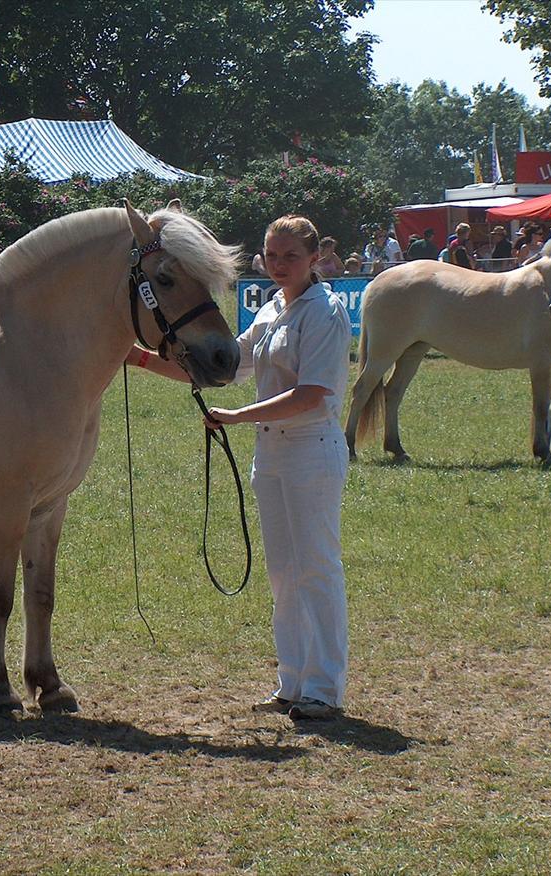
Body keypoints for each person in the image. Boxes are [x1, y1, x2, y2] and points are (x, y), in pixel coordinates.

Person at [127, 214, 351, 721]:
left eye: (291, 256)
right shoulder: (272, 309)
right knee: (283, 572)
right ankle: (292, 682)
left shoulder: (325, 312)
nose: (279, 266)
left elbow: (312, 396)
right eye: (273, 256)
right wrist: (139, 358)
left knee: (316, 568)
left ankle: (325, 686)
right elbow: (223, 367)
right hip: (273, 455)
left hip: (311, 449)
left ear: (314, 259)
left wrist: (236, 417)